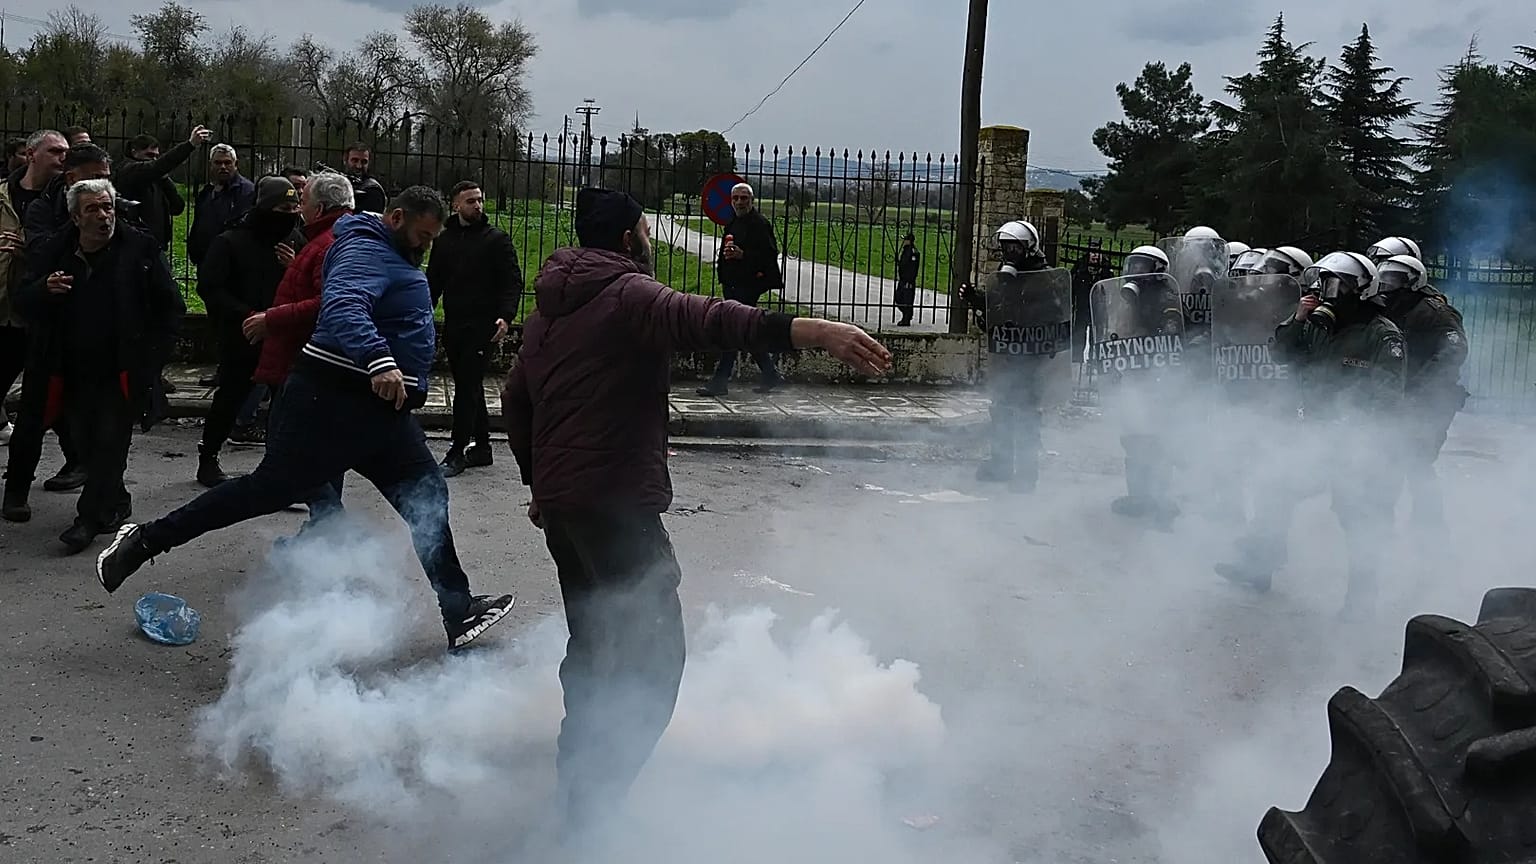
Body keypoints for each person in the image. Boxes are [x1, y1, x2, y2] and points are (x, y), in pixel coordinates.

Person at [501, 187, 892, 836]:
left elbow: (517, 405)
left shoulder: (548, 310)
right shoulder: (629, 293)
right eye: (646, 231)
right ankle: (594, 808)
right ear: (629, 238)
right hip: (617, 510)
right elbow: (712, 319)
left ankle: (578, 786)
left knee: (596, 647)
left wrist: (539, 486)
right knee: (654, 661)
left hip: (566, 511)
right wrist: (816, 330)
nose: (649, 241)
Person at [96, 186, 516, 651]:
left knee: (427, 499)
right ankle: (143, 542)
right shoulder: (364, 250)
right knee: (266, 490)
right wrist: (379, 358)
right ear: (396, 218)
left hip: (384, 414)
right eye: (422, 235)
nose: (426, 246)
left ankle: (458, 610)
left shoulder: (384, 251)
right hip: (330, 401)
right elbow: (343, 306)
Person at [1216, 251, 1406, 618]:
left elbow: (1386, 396)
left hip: (1357, 446)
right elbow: (1282, 354)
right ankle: (1258, 567)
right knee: (1276, 488)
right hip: (1319, 436)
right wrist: (1299, 318)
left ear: (1362, 290)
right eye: (1324, 284)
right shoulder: (1318, 325)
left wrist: (1352, 429)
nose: (1327, 293)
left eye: (1337, 285)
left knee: (1360, 520)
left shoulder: (1381, 334)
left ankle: (1360, 603)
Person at [14, 179, 183, 552]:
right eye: (93, 209)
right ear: (75, 217)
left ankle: (87, 519)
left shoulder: (138, 248)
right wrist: (43, 289)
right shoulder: (54, 251)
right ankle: (116, 501)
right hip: (69, 369)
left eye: (107, 207)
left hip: (120, 370)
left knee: (109, 443)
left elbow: (170, 307)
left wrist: (152, 359)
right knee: (86, 445)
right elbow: (22, 300)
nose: (103, 216)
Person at [245, 170, 355, 523]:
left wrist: (271, 320)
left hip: (307, 365)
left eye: (303, 200)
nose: (298, 208)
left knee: (290, 454)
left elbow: (329, 303)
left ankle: (330, 525)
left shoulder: (328, 244)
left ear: (320, 206)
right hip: (304, 363)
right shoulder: (325, 240)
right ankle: (324, 529)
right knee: (306, 453)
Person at [192, 176, 306, 487]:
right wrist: (248, 314)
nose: (292, 213)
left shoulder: (295, 240)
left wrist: (293, 267)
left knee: (285, 405)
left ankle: (280, 468)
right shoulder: (230, 241)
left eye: (296, 206)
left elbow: (311, 284)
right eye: (284, 207)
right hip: (243, 335)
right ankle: (209, 457)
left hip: (284, 335)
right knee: (231, 397)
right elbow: (211, 288)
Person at [1368, 254, 1468, 532]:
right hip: (1398, 396)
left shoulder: (1435, 312)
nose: (1387, 283)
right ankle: (1380, 524)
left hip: (1429, 401)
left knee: (1417, 463)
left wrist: (1418, 389)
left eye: (1394, 278)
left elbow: (1453, 351)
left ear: (1412, 280)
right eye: (1384, 276)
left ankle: (1429, 531)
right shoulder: (1389, 308)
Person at [428, 180, 520, 477]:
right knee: (468, 382)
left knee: (467, 385)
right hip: (455, 323)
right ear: (455, 205)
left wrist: (506, 317)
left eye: (479, 200)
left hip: (484, 326)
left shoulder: (496, 240)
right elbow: (433, 283)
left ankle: (457, 450)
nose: (477, 206)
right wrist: (422, 315)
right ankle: (482, 446)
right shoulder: (444, 241)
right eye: (470, 201)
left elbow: (511, 282)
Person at [958, 219, 1058, 491]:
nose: (1009, 254)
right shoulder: (1007, 278)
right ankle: (1001, 464)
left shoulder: (1044, 278)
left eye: (1014, 247)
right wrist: (976, 299)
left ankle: (1026, 474)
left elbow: (1051, 317)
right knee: (1001, 410)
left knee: (1026, 416)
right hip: (1007, 357)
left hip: (1031, 360)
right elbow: (998, 308)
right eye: (1005, 248)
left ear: (1029, 247)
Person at [1102, 245, 1184, 527]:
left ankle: (1161, 502)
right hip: (1134, 376)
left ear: (1158, 271)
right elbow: (1117, 334)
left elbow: (1171, 337)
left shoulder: (1166, 299)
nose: (1135, 272)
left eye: (1142, 266)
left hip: (1157, 380)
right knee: (1134, 437)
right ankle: (1138, 497)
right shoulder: (1127, 298)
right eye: (1132, 265)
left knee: (1157, 441)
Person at [696, 182, 784, 396]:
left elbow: (769, 255)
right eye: (735, 198)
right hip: (733, 283)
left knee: (733, 329)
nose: (739, 202)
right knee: (746, 331)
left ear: (752, 201)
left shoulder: (759, 224)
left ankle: (720, 381)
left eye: (744, 198)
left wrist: (743, 255)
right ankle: (771, 375)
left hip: (750, 284)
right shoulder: (733, 221)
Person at [116, 127, 211, 252]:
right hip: (134, 244)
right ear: (134, 152)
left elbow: (177, 207)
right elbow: (158, 166)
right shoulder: (130, 170)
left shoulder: (157, 179)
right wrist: (190, 145)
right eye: (149, 155)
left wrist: (165, 180)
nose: (153, 159)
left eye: (156, 156)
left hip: (156, 244)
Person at [187, 144, 256, 267]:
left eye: (227, 163)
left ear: (235, 164)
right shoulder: (207, 192)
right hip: (205, 259)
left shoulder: (246, 191)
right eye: (218, 163)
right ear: (211, 164)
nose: (223, 167)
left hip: (230, 261)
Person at [343, 143, 388, 214]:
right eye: (355, 160)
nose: (359, 166)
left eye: (364, 162)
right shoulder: (340, 182)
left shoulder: (373, 189)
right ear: (345, 160)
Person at [895, 231, 920, 326]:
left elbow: (912, 268)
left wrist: (909, 280)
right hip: (903, 279)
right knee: (899, 298)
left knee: (906, 300)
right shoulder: (906, 250)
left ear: (909, 241)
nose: (904, 241)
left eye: (905, 239)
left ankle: (906, 318)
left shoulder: (913, 252)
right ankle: (906, 315)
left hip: (908, 280)